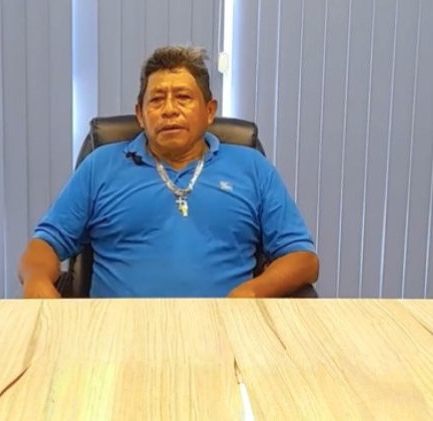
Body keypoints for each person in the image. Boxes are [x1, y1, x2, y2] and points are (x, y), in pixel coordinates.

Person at [19, 46, 319, 299]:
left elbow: (302, 259)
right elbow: (45, 244)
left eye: (183, 98)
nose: (169, 110)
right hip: (118, 335)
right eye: (156, 99)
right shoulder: (101, 166)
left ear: (209, 111)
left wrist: (251, 292)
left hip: (224, 330)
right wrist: (36, 281)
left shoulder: (252, 167)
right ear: (140, 114)